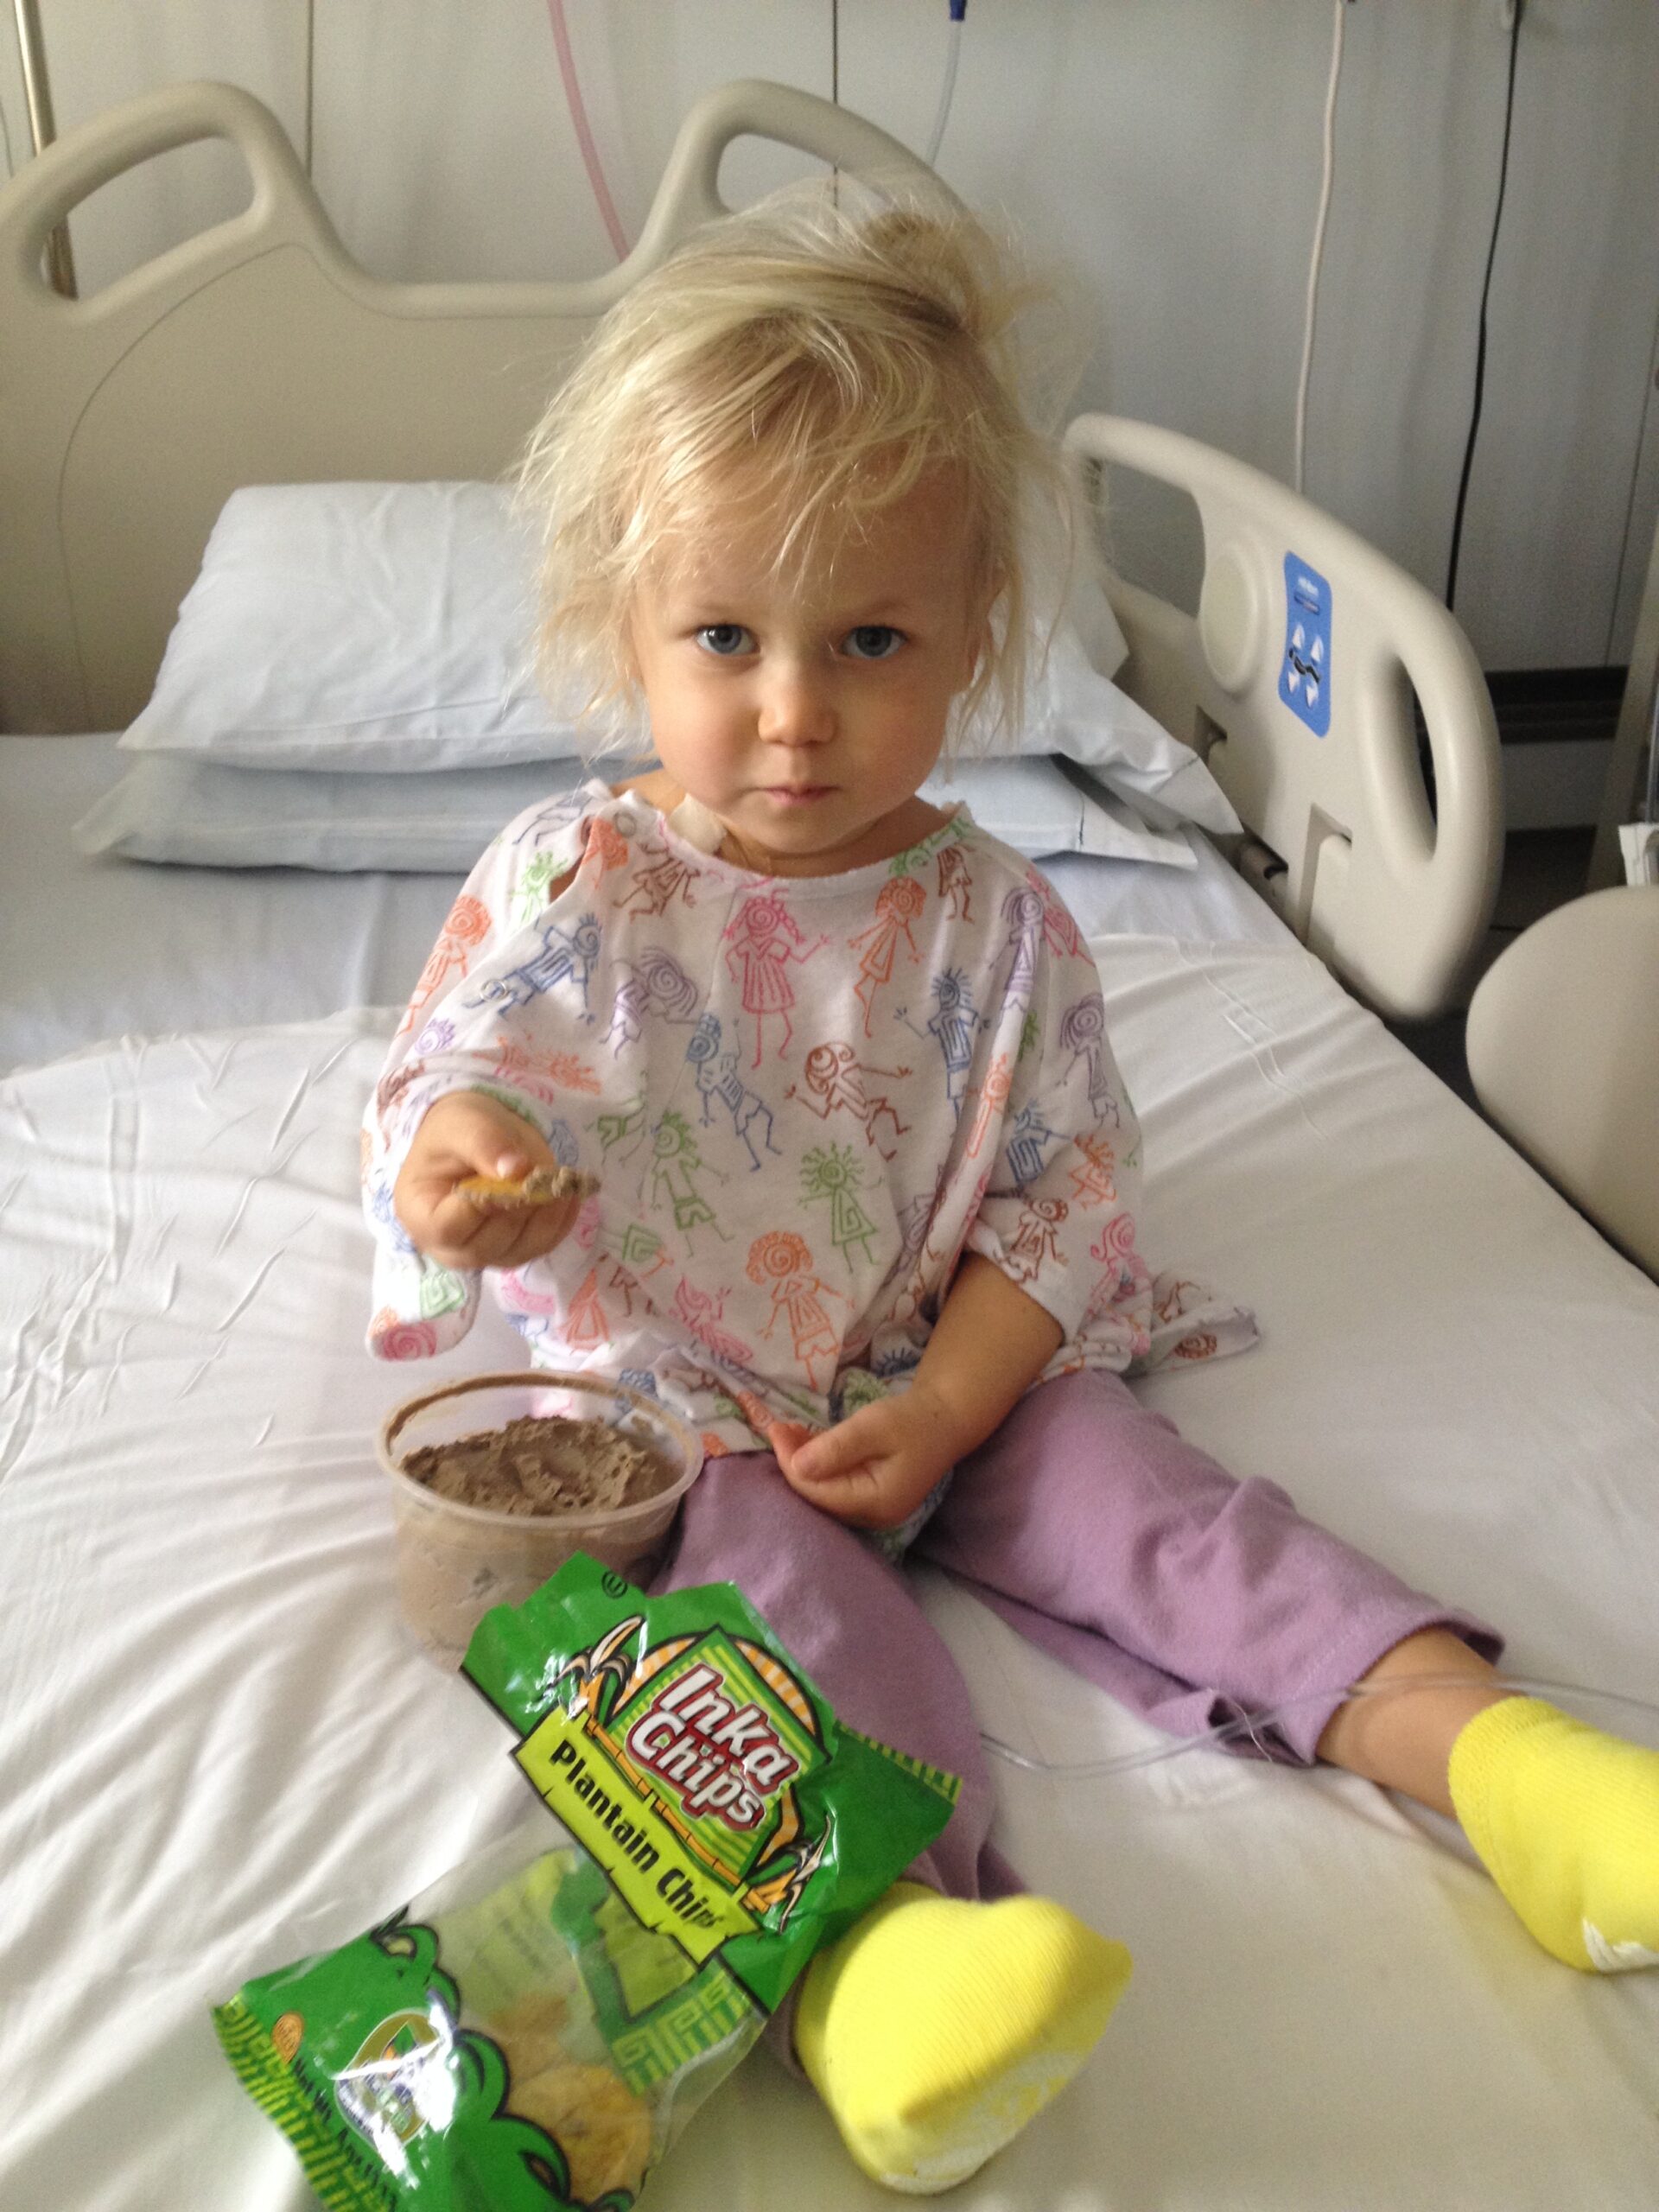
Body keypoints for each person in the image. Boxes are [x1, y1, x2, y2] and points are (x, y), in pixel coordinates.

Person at [364, 187, 1659, 2196]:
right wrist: (466, 1179)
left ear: (976, 645)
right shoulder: (582, 889)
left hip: (958, 1359)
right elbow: (457, 1073)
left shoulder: (999, 918)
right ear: (631, 633)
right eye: (728, 638)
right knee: (781, 1628)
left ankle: (1508, 1766)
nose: (795, 709)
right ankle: (890, 1956)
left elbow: (1062, 1198)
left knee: (1185, 1523)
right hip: (704, 1401)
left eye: (871, 639)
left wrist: (961, 1402)